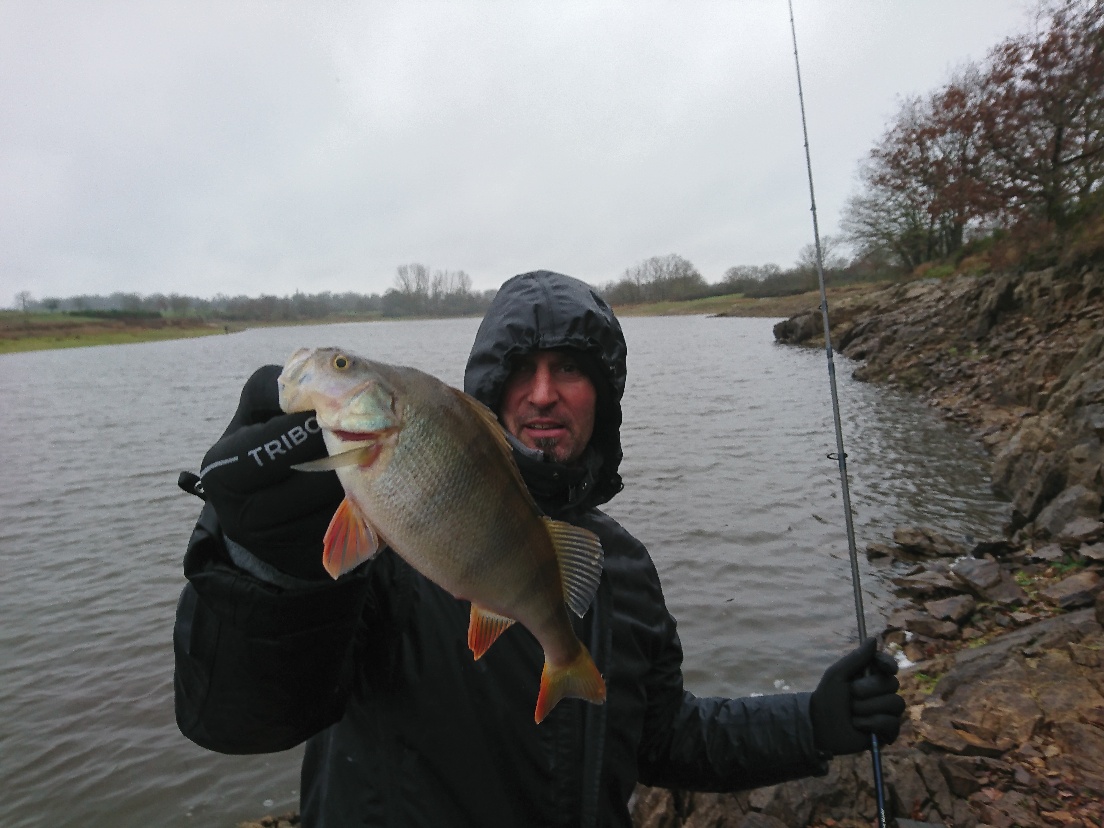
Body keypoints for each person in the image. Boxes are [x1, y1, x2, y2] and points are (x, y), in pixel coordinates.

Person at [174, 269, 904, 828]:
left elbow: (662, 738)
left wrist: (811, 724)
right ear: (486, 393)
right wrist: (263, 565)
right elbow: (240, 718)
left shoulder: (619, 566)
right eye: (521, 370)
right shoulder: (386, 542)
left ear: (604, 396)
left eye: (571, 369)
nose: (544, 393)